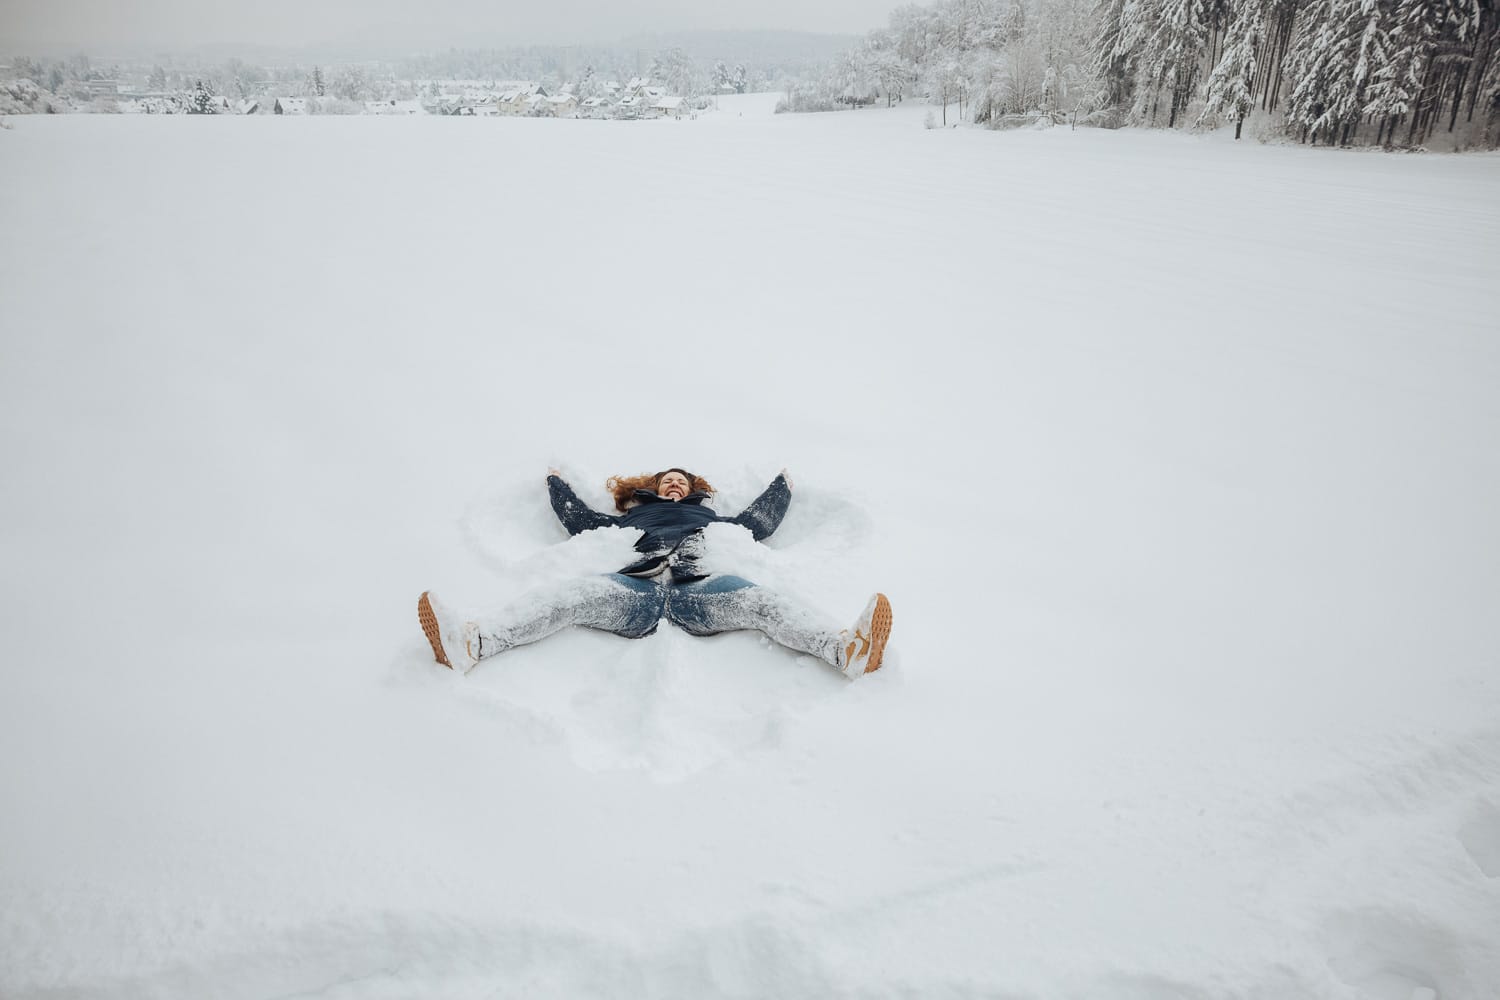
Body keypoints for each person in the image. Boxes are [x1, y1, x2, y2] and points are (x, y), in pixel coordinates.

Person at [417, 467, 893, 678]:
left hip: (700, 590)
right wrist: (556, 483)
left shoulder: (710, 518)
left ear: (691, 492)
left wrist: (782, 486)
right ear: (652, 489)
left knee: (761, 602)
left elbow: (756, 523)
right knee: (570, 597)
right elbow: (579, 521)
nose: (673, 483)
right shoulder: (628, 518)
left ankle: (846, 651)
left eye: (681, 481)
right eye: (667, 479)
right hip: (636, 590)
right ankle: (473, 644)